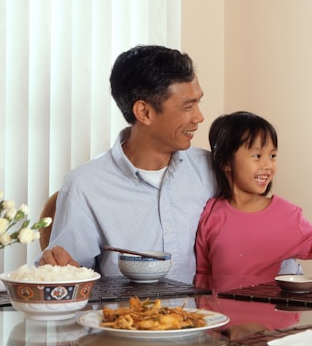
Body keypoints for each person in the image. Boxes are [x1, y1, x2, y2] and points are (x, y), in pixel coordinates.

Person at [37, 45, 217, 283]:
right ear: (144, 112)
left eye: (198, 103)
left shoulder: (212, 170)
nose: (199, 117)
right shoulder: (86, 185)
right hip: (121, 318)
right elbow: (66, 276)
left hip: (205, 319)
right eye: (187, 107)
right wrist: (57, 268)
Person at [194, 111, 312, 292]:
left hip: (271, 317)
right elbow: (203, 273)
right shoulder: (211, 212)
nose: (268, 165)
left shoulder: (286, 214)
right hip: (222, 317)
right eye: (257, 156)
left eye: (272, 156)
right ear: (225, 162)